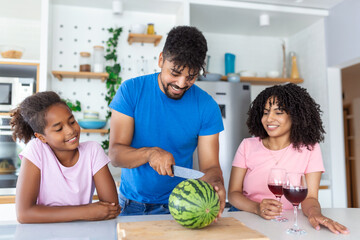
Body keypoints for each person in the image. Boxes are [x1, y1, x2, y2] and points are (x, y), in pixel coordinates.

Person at [108, 26, 225, 216]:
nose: (181, 84)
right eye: (175, 73)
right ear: (161, 59)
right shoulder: (131, 91)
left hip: (180, 206)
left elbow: (211, 167)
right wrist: (150, 153)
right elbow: (116, 155)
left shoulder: (207, 106)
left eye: (191, 77)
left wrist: (215, 181)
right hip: (131, 205)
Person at [228, 83, 349, 234]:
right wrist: (256, 208)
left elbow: (310, 197)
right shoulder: (247, 146)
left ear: (295, 116)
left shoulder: (310, 148)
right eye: (265, 113)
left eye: (278, 112)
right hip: (246, 218)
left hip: (287, 223)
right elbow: (233, 193)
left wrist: (316, 214)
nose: (269, 119)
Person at [11, 91, 121, 223]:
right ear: (41, 137)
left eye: (72, 121)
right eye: (58, 129)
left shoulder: (93, 151)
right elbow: (24, 214)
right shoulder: (36, 150)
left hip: (83, 233)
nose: (70, 130)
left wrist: (86, 212)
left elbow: (112, 207)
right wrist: (86, 211)